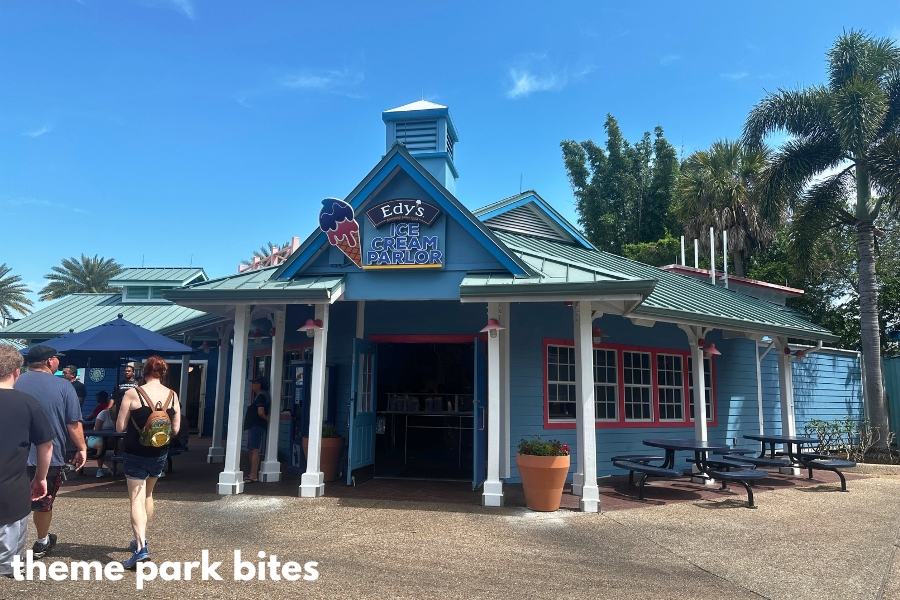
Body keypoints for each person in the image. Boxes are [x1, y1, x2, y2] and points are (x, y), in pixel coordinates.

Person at [13, 344, 86, 559]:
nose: (59, 362)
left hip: (13, 454)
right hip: (50, 455)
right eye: (57, 359)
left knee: (13, 499)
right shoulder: (64, 386)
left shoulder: (14, 381)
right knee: (43, 501)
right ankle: (41, 541)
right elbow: (73, 423)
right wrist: (82, 448)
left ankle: (11, 546)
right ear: (49, 361)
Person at [116, 355, 179, 569]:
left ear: (144, 371)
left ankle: (141, 548)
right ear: (163, 372)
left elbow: (119, 427)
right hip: (160, 452)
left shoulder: (132, 394)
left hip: (135, 451)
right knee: (148, 495)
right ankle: (141, 537)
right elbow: (176, 429)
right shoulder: (172, 395)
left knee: (136, 498)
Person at [0, 346, 53, 578]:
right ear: (16, 372)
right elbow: (45, 445)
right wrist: (40, 477)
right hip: (12, 490)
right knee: (9, 563)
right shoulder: (28, 403)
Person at [243, 376, 270, 484]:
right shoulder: (259, 396)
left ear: (259, 385)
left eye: (254, 383)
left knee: (254, 449)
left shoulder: (261, 397)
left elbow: (260, 412)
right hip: (253, 426)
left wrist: (266, 418)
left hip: (257, 425)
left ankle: (254, 475)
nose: (252, 385)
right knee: (251, 449)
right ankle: (251, 474)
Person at [87, 400, 118, 478]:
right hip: (96, 438)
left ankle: (113, 466)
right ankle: (100, 469)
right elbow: (97, 430)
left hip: (111, 438)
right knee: (102, 444)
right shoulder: (103, 413)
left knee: (120, 443)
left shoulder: (119, 416)